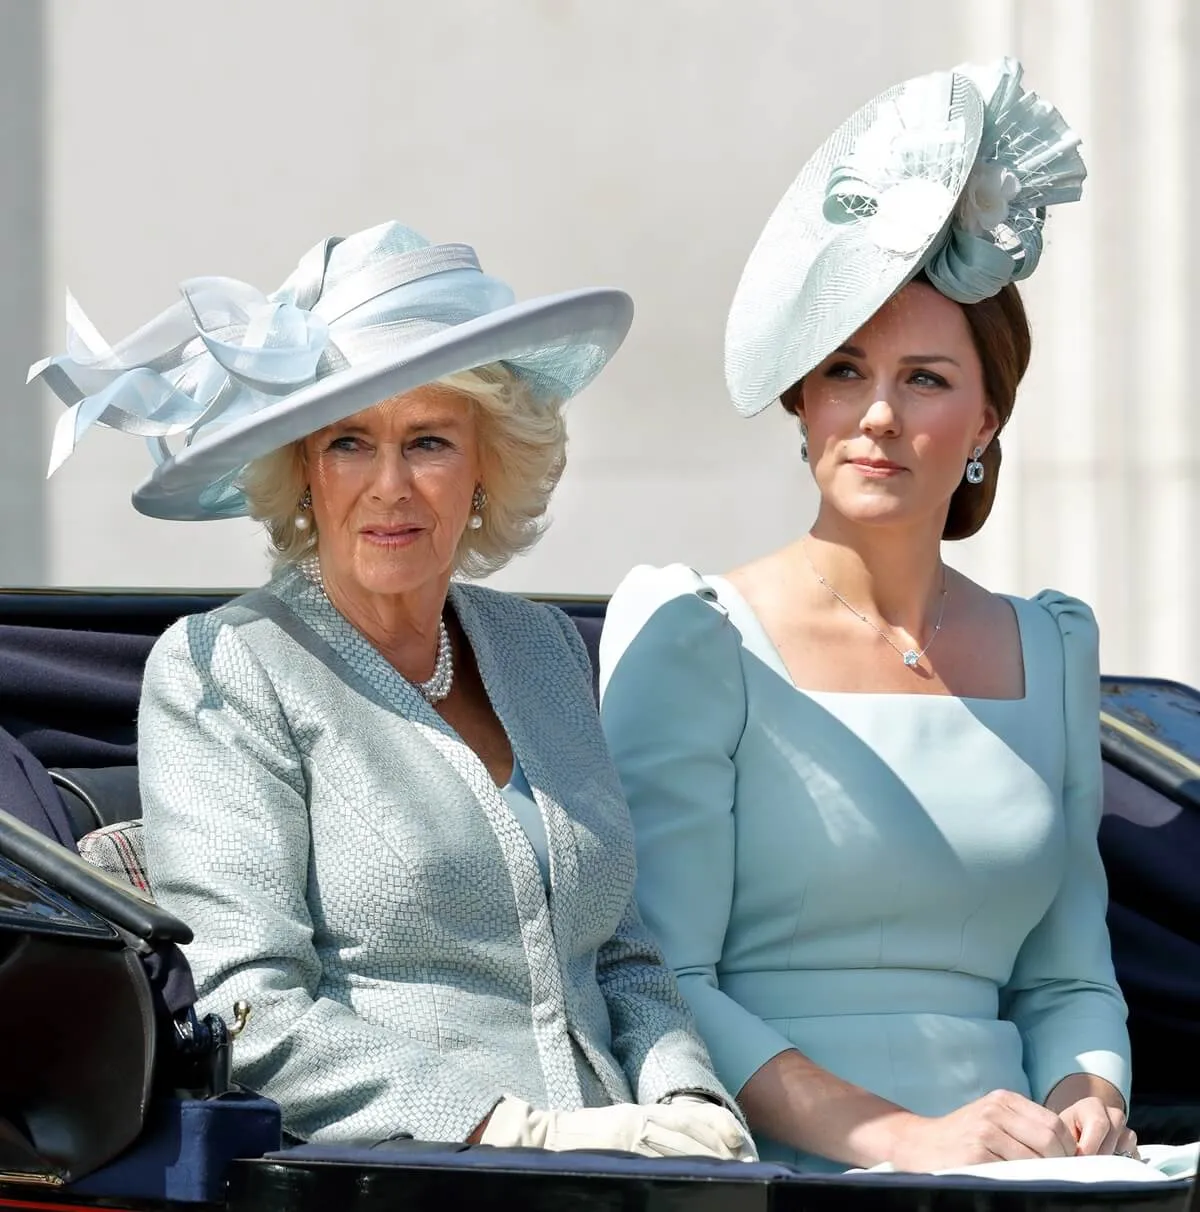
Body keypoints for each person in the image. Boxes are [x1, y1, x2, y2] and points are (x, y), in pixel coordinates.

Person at [31, 221, 755, 1160]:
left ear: (488, 462)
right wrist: (519, 1130)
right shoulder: (224, 667)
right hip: (394, 1173)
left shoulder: (540, 647)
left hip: (629, 1172)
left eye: (427, 441)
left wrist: (687, 1093)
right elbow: (248, 1007)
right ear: (301, 470)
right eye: (347, 443)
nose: (389, 486)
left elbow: (619, 952)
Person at [598, 61, 1139, 1172]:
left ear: (989, 416)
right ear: (803, 403)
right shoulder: (696, 637)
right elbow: (661, 980)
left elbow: (1069, 974)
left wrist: (1088, 1096)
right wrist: (904, 1140)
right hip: (773, 1171)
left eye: (927, 379)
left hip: (1019, 1179)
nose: (879, 415)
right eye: (845, 371)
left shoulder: (1054, 646)